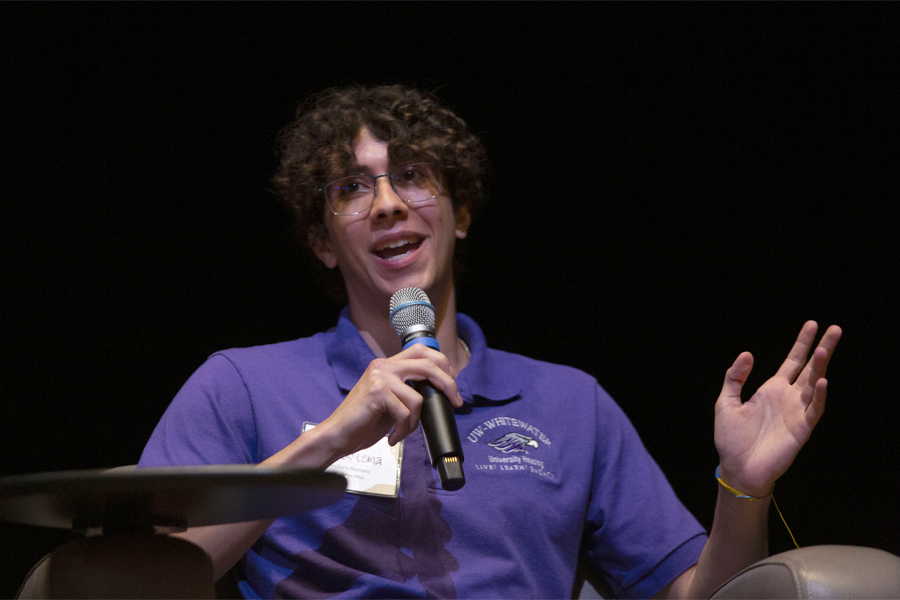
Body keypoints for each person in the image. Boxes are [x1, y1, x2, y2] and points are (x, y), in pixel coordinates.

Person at [138, 84, 842, 599]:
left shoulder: (570, 402)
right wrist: (326, 442)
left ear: (461, 212)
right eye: (352, 187)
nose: (387, 203)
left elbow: (697, 597)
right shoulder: (240, 386)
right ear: (322, 242)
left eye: (412, 176)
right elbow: (147, 577)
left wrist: (743, 490)